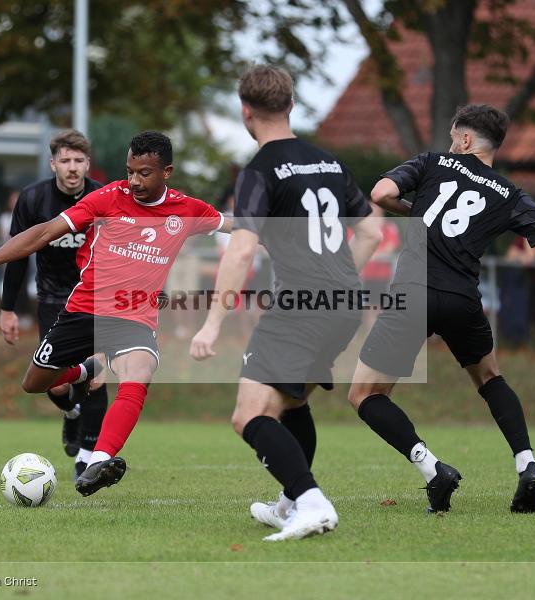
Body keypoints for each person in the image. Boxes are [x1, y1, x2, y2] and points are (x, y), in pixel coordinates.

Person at [347, 104, 535, 515]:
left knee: (364, 394)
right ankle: (527, 465)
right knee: (490, 378)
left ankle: (433, 469)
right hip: (461, 299)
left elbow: (381, 194)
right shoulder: (509, 194)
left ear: (465, 139)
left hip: (414, 294)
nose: (450, 145)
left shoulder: (431, 162)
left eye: (453, 138)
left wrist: (414, 213)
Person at [0, 131, 229, 494]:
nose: (134, 181)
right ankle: (86, 370)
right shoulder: (108, 197)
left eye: (144, 173)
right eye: (130, 171)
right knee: (35, 383)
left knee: (139, 372)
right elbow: (43, 233)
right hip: (84, 309)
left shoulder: (187, 209)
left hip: (134, 317)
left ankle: (98, 460)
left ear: (167, 172)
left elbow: (240, 226)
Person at [190, 65, 382, 541]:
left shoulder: (258, 171)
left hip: (301, 306)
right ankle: (289, 504)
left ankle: (312, 502)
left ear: (245, 111)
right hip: (346, 304)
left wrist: (211, 324)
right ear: (291, 105)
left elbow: (240, 251)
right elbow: (372, 232)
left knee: (250, 415)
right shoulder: (328, 162)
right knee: (292, 403)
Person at [0, 130, 108, 474]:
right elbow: (18, 255)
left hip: (94, 299)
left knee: (96, 374)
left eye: (78, 160)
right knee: (56, 383)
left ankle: (86, 458)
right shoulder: (33, 200)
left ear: (87, 164)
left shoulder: (103, 198)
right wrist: (7, 308)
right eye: (65, 160)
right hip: (52, 299)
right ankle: (72, 413)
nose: (72, 167)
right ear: (53, 164)